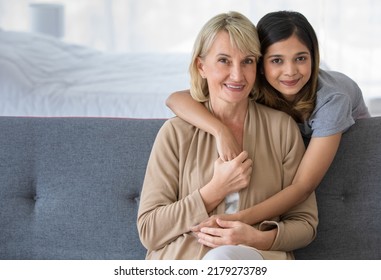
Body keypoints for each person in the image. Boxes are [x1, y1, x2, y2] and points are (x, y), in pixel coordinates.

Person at [165, 10, 370, 238]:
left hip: (348, 147)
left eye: (301, 58)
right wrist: (220, 131)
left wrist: (238, 220)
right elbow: (175, 98)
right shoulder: (251, 81)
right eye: (277, 60)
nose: (290, 71)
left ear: (314, 58)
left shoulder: (332, 101)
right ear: (261, 64)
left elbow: (302, 187)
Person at [137, 11, 318, 260]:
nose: (237, 75)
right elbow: (149, 230)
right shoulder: (175, 133)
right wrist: (214, 190)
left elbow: (305, 224)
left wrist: (257, 238)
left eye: (247, 62)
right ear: (201, 66)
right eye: (224, 60)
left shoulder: (281, 129)